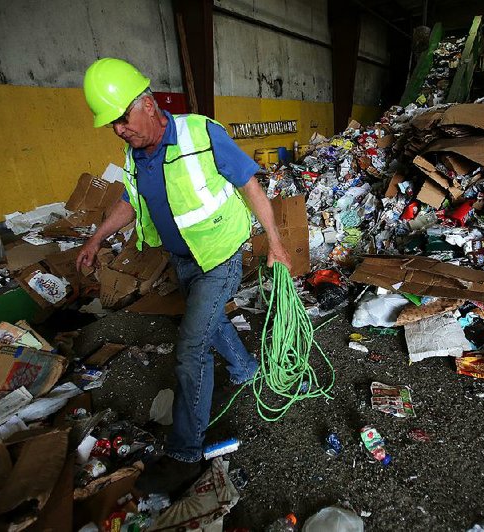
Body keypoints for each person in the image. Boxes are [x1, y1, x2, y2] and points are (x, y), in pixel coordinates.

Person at [77, 58, 291, 493]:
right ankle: (245, 368)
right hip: (184, 259)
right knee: (207, 321)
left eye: (121, 119)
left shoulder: (200, 133)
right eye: (111, 124)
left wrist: (276, 243)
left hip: (220, 258)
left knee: (190, 347)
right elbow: (131, 202)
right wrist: (96, 237)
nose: (118, 129)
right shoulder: (135, 154)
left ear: (147, 105)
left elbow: (250, 182)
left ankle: (185, 452)